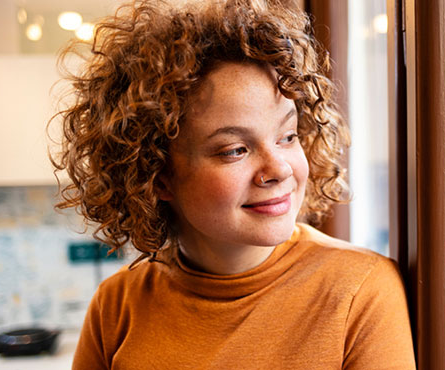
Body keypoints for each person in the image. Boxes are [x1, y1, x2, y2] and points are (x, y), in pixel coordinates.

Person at [53, 0, 416, 368]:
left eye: (287, 136)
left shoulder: (360, 290)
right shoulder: (117, 304)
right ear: (157, 176)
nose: (278, 168)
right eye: (235, 149)